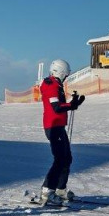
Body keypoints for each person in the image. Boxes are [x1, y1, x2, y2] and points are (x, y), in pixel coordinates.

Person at [38, 59, 84, 205]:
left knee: (67, 158)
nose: (66, 77)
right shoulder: (50, 84)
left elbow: (59, 105)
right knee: (59, 159)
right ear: (61, 72)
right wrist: (71, 105)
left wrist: (73, 103)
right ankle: (47, 190)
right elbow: (56, 107)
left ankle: (60, 189)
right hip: (53, 126)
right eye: (65, 75)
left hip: (59, 126)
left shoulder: (56, 84)